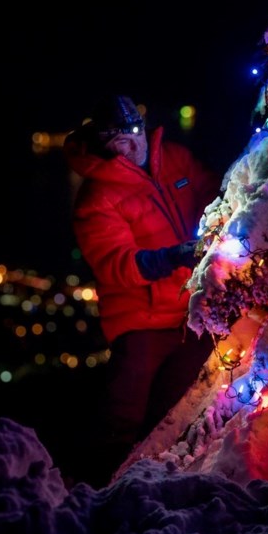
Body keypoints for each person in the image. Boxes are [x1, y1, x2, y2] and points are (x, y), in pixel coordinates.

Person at [64, 94, 221, 486]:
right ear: (100, 141)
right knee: (122, 411)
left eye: (130, 133)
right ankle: (94, 487)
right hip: (142, 320)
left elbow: (215, 194)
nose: (125, 144)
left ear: (142, 130)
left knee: (179, 406)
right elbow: (117, 263)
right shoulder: (96, 198)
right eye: (113, 138)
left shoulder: (177, 159)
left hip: (192, 311)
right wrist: (174, 257)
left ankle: (155, 480)